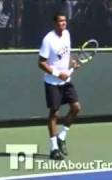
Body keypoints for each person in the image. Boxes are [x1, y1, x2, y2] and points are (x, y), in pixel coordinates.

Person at [38, 11, 81, 160]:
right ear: (55, 23)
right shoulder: (48, 40)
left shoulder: (67, 34)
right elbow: (41, 63)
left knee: (76, 108)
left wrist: (72, 63)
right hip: (52, 83)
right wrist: (57, 74)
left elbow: (67, 55)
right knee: (54, 114)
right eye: (61, 21)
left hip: (66, 82)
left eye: (65, 21)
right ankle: (54, 149)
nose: (64, 23)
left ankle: (61, 136)